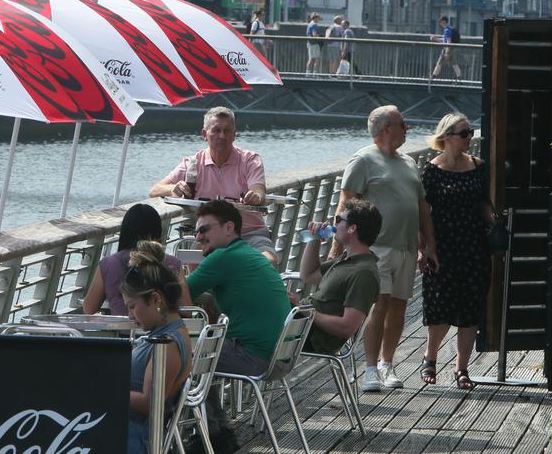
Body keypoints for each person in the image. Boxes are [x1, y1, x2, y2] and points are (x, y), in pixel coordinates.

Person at [328, 105, 438, 392]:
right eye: (403, 124)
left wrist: (429, 245)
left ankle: (388, 364)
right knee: (380, 304)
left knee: (399, 306)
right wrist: (335, 248)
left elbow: (421, 208)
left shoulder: (409, 163)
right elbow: (345, 204)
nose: (407, 129)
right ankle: (370, 368)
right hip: (376, 246)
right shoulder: (363, 159)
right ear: (386, 129)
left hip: (404, 246)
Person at [186, 199, 292, 452]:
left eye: (204, 230)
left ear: (229, 227)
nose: (198, 237)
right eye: (195, 231)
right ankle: (216, 435)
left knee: (180, 356)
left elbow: (177, 295)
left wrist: (176, 274)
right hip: (281, 356)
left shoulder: (223, 258)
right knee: (202, 355)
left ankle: (200, 435)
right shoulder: (247, 253)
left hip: (257, 359)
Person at [150, 106, 277, 265]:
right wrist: (173, 188)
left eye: (227, 131)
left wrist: (255, 196)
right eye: (216, 130)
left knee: (269, 261)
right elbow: (155, 190)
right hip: (209, 237)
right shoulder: (194, 162)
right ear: (204, 134)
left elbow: (258, 189)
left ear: (234, 135)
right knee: (194, 261)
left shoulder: (250, 160)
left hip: (249, 233)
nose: (222, 136)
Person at [419, 113, 492, 390]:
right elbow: (423, 212)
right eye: (464, 133)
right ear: (447, 137)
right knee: (440, 305)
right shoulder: (431, 170)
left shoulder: (478, 166)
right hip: (443, 246)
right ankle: (431, 356)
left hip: (474, 245)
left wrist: (494, 224)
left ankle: (462, 368)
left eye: (470, 133)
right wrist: (424, 248)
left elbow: (484, 202)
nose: (469, 138)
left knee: (470, 307)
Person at [123, 241, 193, 454]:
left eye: (133, 307)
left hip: (133, 439)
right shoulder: (172, 332)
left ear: (155, 298)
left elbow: (150, 403)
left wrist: (103, 389)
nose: (130, 316)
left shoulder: (167, 343)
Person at [299, 197, 381, 354]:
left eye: (338, 220)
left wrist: (305, 310)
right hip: (301, 325)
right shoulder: (347, 259)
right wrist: (315, 238)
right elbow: (308, 275)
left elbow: (346, 327)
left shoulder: (363, 273)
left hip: (310, 335)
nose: (334, 224)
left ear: (352, 228)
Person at [82, 204, 182, 317]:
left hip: (121, 332)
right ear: (158, 232)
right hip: (163, 332)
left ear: (125, 231)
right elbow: (187, 309)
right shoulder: (173, 263)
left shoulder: (108, 263)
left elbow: (88, 308)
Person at [432, 15, 462, 79]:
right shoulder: (449, 29)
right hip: (451, 48)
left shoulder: (447, 30)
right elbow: (444, 40)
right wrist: (435, 39)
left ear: (443, 22)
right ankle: (459, 77)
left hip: (447, 48)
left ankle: (433, 77)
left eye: (440, 22)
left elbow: (448, 41)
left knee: (439, 62)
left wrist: (447, 52)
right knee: (454, 63)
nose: (440, 24)